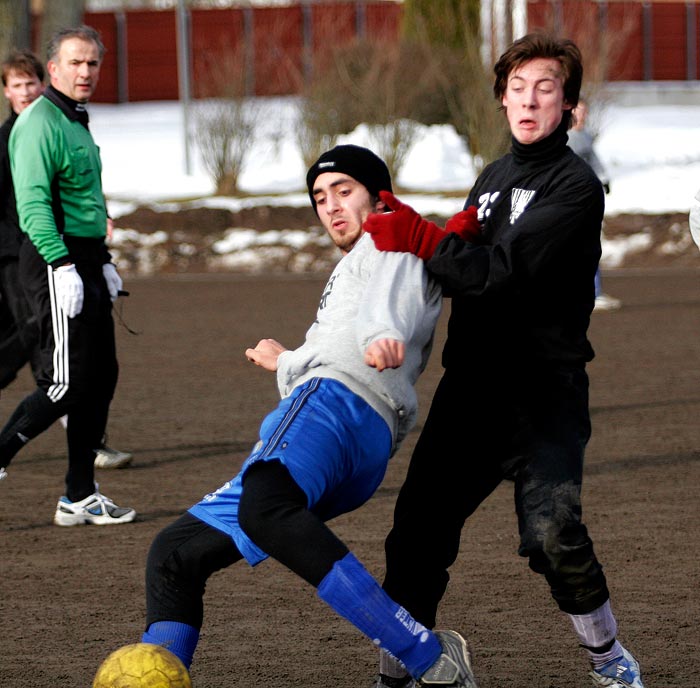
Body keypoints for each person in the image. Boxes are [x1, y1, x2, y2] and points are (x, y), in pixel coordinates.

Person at [136, 145, 480, 688]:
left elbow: (386, 307)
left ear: (378, 194)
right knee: (177, 553)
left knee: (267, 508)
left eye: (345, 191)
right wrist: (288, 361)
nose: (331, 206)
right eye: (320, 197)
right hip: (344, 421)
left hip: (334, 407)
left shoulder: (390, 234)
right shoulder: (364, 256)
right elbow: (346, 335)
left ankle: (428, 657)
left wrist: (381, 334)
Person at [363, 34, 644, 688]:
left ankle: (610, 662)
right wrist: (419, 235)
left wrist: (424, 239)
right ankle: (405, 671)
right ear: (501, 100)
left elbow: (498, 274)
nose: (529, 99)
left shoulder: (575, 187)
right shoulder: (492, 177)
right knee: (413, 537)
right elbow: (460, 252)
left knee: (553, 538)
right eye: (517, 88)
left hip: (543, 397)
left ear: (570, 106)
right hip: (472, 394)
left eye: (545, 88)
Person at [0, 26, 135, 525]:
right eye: (76, 63)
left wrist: (100, 259)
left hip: (85, 258)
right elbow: (33, 204)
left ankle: (79, 494)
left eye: (93, 63)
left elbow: (83, 200)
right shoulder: (39, 121)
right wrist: (62, 264)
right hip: (53, 259)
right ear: (52, 69)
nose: (86, 72)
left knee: (101, 377)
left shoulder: (75, 120)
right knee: (65, 383)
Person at [568, 97, 621, 311]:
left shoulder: (584, 136)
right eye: (578, 111)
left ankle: (593, 292)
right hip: (572, 201)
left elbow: (594, 160)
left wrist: (603, 178)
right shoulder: (566, 139)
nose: (582, 115)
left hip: (586, 200)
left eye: (584, 111)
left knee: (587, 246)